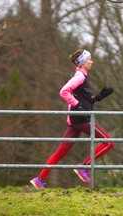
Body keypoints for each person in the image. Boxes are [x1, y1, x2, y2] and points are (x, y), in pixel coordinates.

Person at [30, 49, 115, 188]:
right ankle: (84, 166)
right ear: (82, 63)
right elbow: (64, 92)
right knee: (109, 142)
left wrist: (98, 97)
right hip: (80, 119)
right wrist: (77, 106)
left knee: (61, 151)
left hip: (76, 120)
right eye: (89, 59)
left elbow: (84, 100)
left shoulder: (82, 77)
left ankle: (39, 179)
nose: (92, 61)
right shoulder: (79, 77)